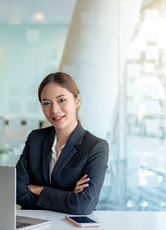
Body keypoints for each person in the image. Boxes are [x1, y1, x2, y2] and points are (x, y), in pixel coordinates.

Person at [16, 72, 109, 215]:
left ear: (77, 101)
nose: (54, 110)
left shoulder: (95, 147)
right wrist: (68, 195)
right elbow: (17, 190)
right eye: (47, 103)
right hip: (33, 224)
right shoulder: (35, 139)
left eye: (61, 100)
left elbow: (83, 205)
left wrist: (40, 190)